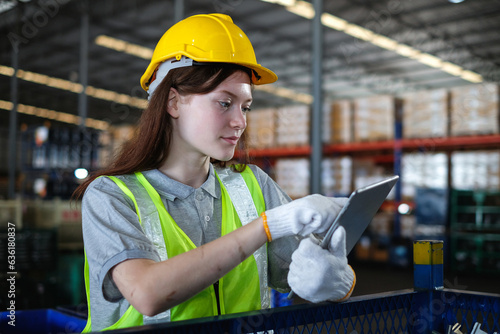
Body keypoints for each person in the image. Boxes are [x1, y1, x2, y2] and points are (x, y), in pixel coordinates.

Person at [74, 13, 356, 332]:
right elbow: (148, 293)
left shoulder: (253, 184)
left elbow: (306, 270)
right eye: (225, 103)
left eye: (245, 106)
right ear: (173, 102)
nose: (240, 121)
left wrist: (334, 282)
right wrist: (267, 226)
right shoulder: (111, 196)